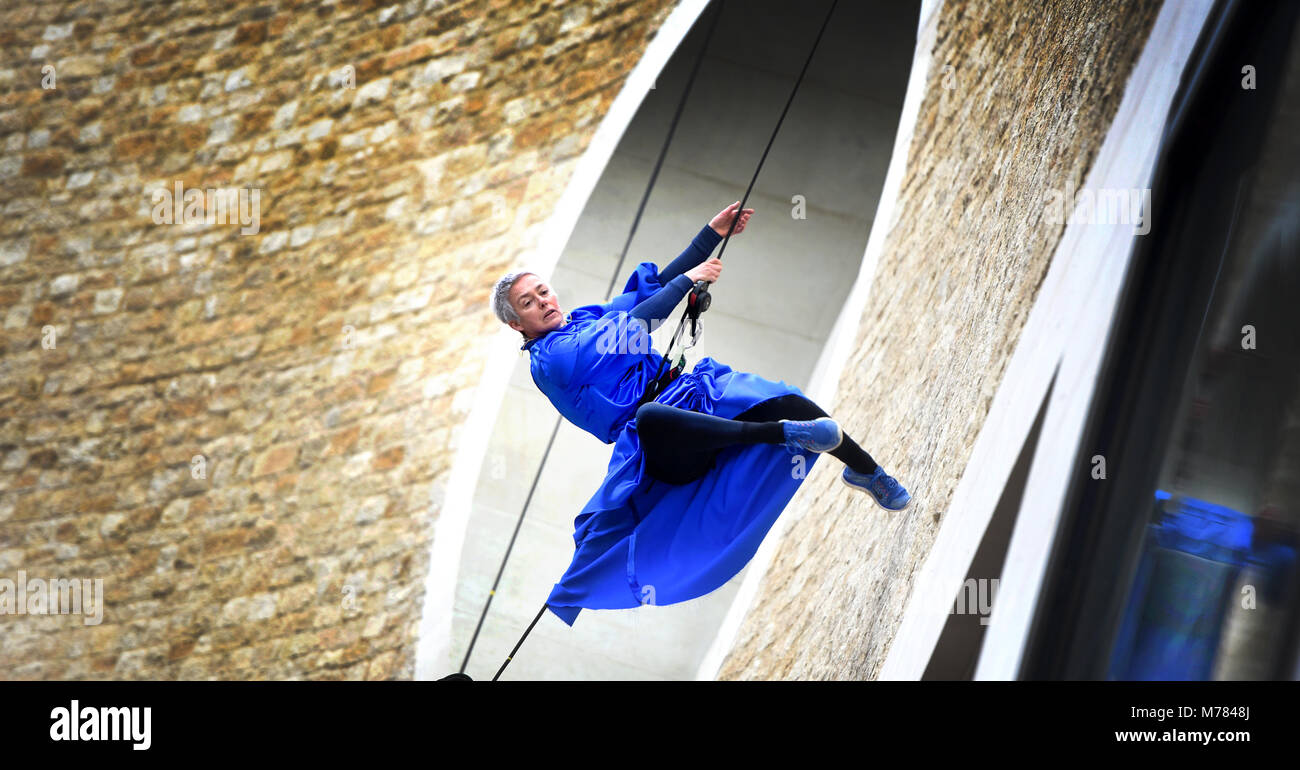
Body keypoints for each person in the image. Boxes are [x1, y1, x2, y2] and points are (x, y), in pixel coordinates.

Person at [491, 201, 911, 625]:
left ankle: (866, 471)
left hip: (691, 395)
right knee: (652, 417)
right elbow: (633, 328)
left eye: (542, 291)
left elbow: (650, 289)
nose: (543, 302)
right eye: (528, 302)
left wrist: (711, 233)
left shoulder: (584, 319)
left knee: (789, 399)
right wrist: (688, 282)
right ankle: (783, 434)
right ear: (517, 325)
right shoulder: (550, 361)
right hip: (656, 445)